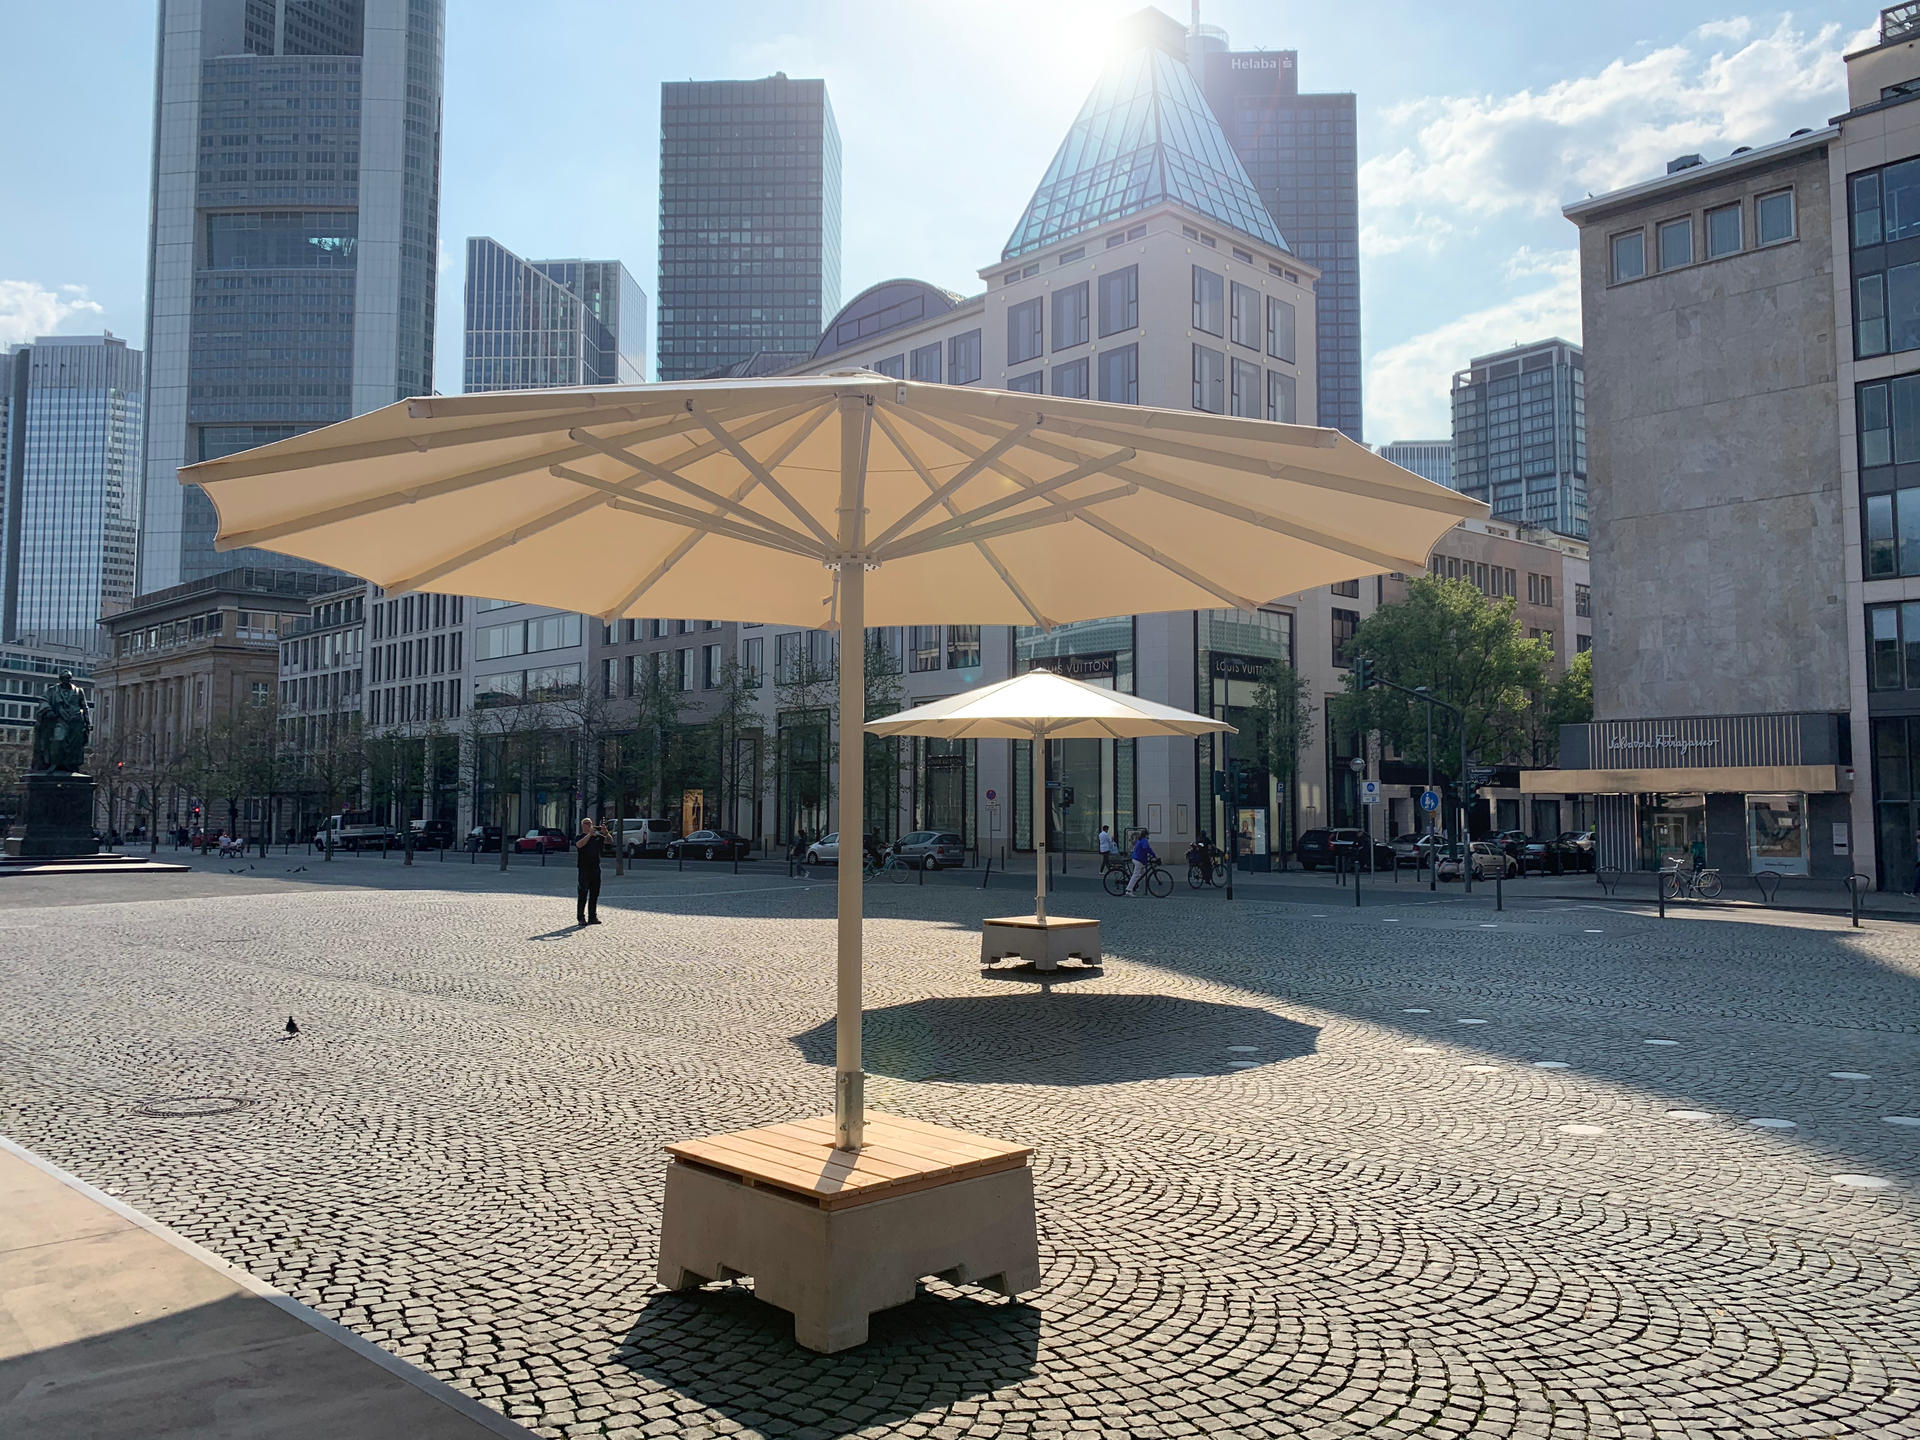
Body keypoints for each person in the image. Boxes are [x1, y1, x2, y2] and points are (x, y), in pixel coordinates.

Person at [576, 817, 605, 926]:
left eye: (590, 823)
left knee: (594, 893)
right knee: (583, 893)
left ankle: (592, 916)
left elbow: (609, 841)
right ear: (582, 825)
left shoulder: (597, 837)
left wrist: (605, 832)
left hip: (595, 868)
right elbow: (579, 845)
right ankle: (580, 917)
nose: (589, 825)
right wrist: (589, 835)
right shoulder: (579, 837)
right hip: (584, 869)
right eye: (586, 824)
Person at [1126, 828, 1157, 896]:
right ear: (1146, 835)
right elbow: (1146, 848)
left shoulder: (1141, 840)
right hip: (1138, 859)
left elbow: (1145, 849)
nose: (1148, 836)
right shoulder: (1144, 840)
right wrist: (1153, 855)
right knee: (1136, 874)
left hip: (1137, 858)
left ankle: (1134, 886)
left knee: (1140, 874)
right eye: (1148, 835)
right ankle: (1129, 890)